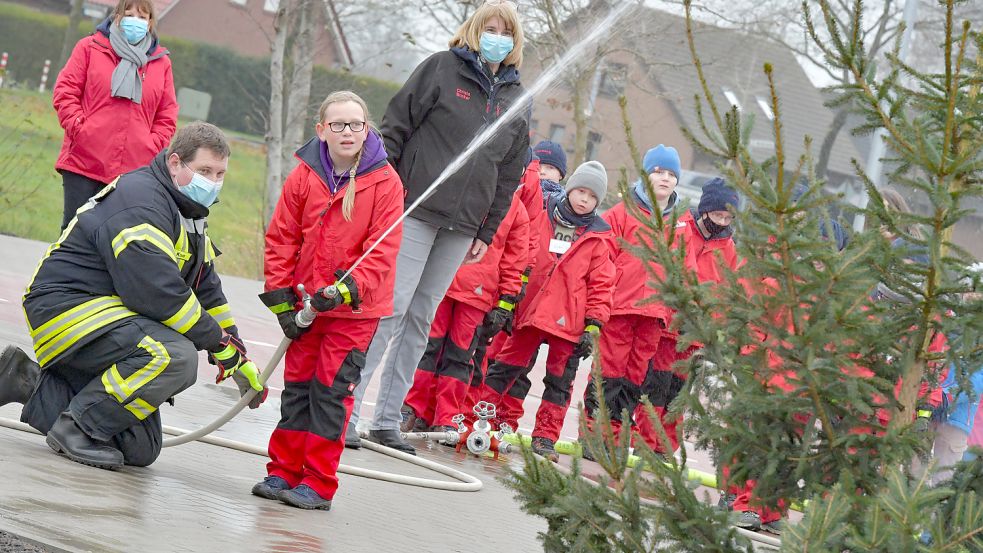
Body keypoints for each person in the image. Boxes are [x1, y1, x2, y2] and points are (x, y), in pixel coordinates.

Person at [0, 122, 263, 470]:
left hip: (109, 317)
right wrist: (218, 345)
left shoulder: (188, 212)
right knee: (175, 356)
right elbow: (158, 294)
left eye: (219, 173)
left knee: (139, 449)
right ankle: (75, 428)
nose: (212, 182)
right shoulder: (142, 201)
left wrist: (238, 353)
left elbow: (206, 288)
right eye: (203, 171)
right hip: (67, 308)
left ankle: (24, 381)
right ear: (174, 163)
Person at [350, 0, 530, 454]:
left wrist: (485, 233)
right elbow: (394, 128)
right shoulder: (441, 69)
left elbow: (509, 174)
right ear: (474, 29)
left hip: (462, 227)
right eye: (489, 28)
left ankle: (387, 419)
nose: (496, 37)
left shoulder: (516, 99)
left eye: (505, 31)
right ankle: (348, 411)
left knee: (421, 319)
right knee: (391, 310)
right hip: (414, 211)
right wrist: (384, 192)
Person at [253, 91, 404, 510]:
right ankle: (282, 471)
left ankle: (318, 483)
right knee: (298, 389)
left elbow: (383, 249)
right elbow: (282, 237)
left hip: (353, 314)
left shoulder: (386, 181)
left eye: (356, 124)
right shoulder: (305, 175)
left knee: (330, 393)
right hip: (305, 309)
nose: (347, 132)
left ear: (366, 127)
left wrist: (346, 288)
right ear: (321, 130)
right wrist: (284, 301)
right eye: (337, 124)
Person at [475, 161, 616, 461]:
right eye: (580, 191)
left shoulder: (599, 239)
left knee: (559, 384)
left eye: (591, 197)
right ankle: (482, 420)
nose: (584, 200)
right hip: (530, 314)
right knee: (504, 369)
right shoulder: (542, 217)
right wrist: (511, 297)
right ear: (569, 188)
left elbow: (602, 285)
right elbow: (524, 256)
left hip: (569, 325)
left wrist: (594, 325)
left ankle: (545, 438)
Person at [580, 145, 685, 453]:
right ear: (645, 175)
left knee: (634, 379)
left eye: (670, 174)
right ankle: (592, 434)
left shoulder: (678, 224)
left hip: (654, 315)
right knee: (608, 373)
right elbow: (603, 261)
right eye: (658, 172)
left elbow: (680, 270)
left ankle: (615, 439)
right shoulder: (621, 213)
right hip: (620, 309)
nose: (664, 179)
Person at [401, 192, 528, 433]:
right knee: (439, 352)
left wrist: (506, 301)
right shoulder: (508, 203)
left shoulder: (516, 210)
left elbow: (515, 258)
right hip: (450, 285)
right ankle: (426, 414)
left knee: (449, 354)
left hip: (468, 291)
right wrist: (506, 300)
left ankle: (433, 415)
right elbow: (516, 260)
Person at [53, 0, 178, 231]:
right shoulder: (89, 47)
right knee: (74, 235)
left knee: (115, 242)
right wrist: (80, 129)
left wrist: (152, 145)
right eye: (128, 14)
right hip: (84, 162)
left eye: (142, 16)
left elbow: (167, 114)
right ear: (117, 16)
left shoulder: (161, 63)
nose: (135, 21)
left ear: (150, 23)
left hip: (132, 172)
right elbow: (65, 91)